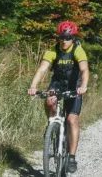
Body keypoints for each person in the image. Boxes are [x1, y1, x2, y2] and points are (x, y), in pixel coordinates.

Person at [28, 20, 89, 173]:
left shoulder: (77, 50)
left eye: (68, 38)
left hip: (74, 86)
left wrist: (84, 86)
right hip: (57, 84)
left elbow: (84, 70)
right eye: (62, 37)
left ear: (73, 38)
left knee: (71, 119)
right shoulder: (52, 51)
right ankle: (52, 124)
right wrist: (33, 86)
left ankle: (72, 157)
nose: (64, 40)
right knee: (49, 101)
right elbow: (42, 70)